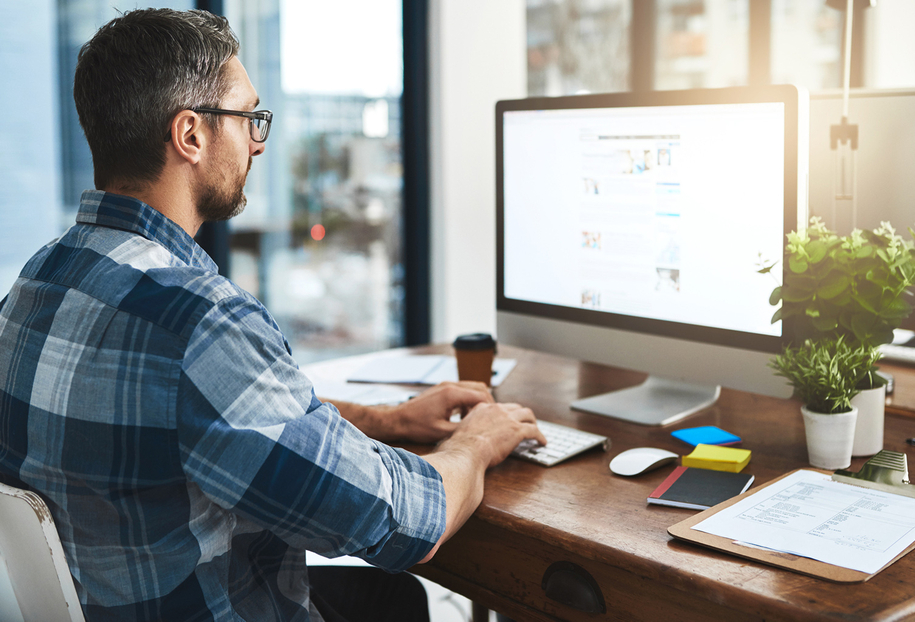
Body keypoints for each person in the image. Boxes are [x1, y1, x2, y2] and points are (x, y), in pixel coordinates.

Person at [0, 8, 544, 622]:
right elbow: (395, 521)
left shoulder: (39, 278)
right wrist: (476, 443)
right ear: (191, 136)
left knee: (388, 601)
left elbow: (216, 421)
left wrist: (387, 420)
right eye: (248, 118)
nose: (259, 140)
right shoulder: (197, 318)